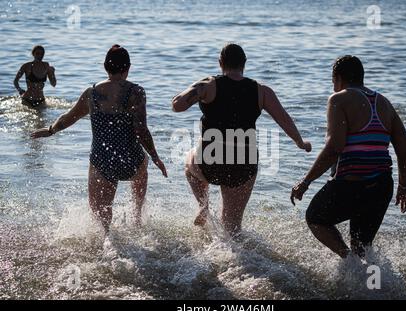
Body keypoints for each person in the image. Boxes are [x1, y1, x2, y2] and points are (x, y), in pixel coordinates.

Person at [172, 43, 311, 235]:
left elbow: (177, 105)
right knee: (233, 227)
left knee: (189, 161)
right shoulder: (262, 91)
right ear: (244, 64)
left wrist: (198, 85)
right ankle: (239, 260)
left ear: (220, 63)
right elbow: (284, 120)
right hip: (243, 166)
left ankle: (203, 207)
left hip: (209, 163)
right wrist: (300, 143)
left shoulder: (209, 85)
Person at [31, 44, 167, 234]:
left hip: (102, 161)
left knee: (101, 220)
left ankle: (106, 241)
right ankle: (137, 216)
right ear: (128, 68)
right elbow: (141, 130)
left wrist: (50, 130)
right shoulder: (136, 92)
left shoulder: (91, 93)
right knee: (142, 163)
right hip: (131, 161)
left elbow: (69, 117)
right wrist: (155, 157)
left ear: (105, 67)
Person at [291, 55, 406, 258]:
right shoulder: (384, 102)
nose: (333, 88)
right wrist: (403, 188)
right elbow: (404, 149)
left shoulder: (339, 99)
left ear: (338, 78)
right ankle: (366, 279)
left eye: (333, 82)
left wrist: (305, 182)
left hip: (350, 185)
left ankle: (347, 261)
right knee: (361, 248)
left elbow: (334, 148)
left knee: (315, 218)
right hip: (381, 187)